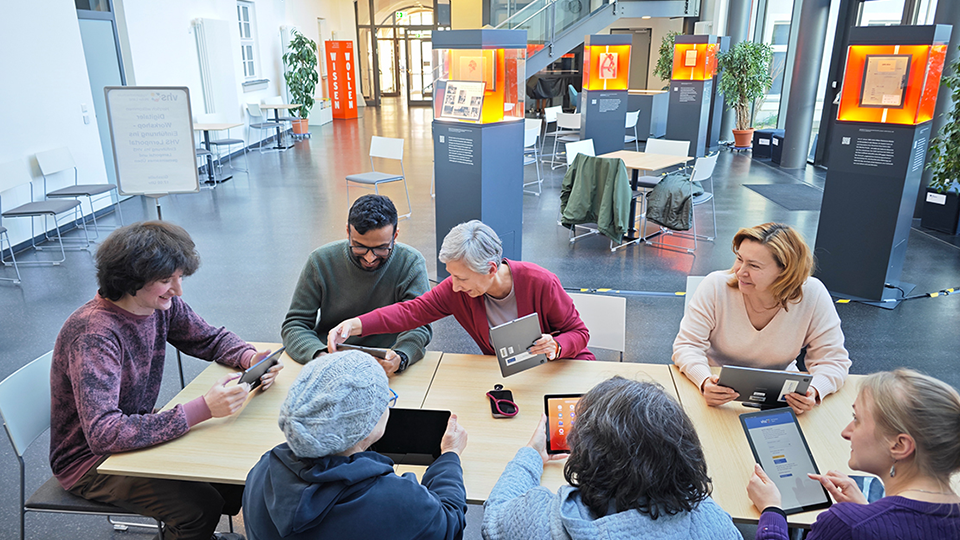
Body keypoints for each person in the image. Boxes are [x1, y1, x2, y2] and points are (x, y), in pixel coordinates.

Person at [50, 221, 283, 540]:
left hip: (134, 428)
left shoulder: (157, 304)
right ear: (129, 281)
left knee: (233, 479)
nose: (178, 290)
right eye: (165, 280)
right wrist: (203, 408)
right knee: (198, 508)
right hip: (90, 462)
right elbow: (103, 434)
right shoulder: (94, 335)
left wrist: (250, 358)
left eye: (179, 278)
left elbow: (209, 338)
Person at [243, 350, 469, 540]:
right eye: (385, 400)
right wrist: (450, 455)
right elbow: (450, 521)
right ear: (365, 425)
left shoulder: (262, 471)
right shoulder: (398, 501)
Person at [481, 376, 739, 539]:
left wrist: (531, 454)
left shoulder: (537, 520)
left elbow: (494, 516)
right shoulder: (712, 524)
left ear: (585, 454)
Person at [328, 220, 593, 360]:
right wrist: (355, 324)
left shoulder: (540, 282)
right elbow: (411, 311)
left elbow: (579, 333)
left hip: (562, 368)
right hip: (516, 377)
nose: (454, 286)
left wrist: (557, 345)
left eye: (461, 278)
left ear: (491, 269)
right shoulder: (458, 290)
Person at [747, 369, 960, 539]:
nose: (846, 432)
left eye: (856, 419)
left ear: (900, 445)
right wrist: (866, 511)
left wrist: (772, 510)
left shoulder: (847, 525)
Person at [673, 222, 850, 414]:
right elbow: (687, 346)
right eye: (739, 259)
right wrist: (704, 380)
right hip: (717, 393)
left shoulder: (812, 294)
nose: (740, 271)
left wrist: (813, 391)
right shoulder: (715, 286)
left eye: (754, 266)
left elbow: (833, 361)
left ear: (786, 271)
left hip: (782, 400)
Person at [281, 194, 431, 374]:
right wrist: (321, 356)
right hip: (331, 362)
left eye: (381, 248)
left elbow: (420, 325)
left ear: (395, 235)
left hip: (387, 363)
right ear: (347, 232)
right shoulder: (320, 261)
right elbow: (295, 325)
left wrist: (401, 356)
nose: (369, 257)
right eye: (359, 246)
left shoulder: (410, 263)